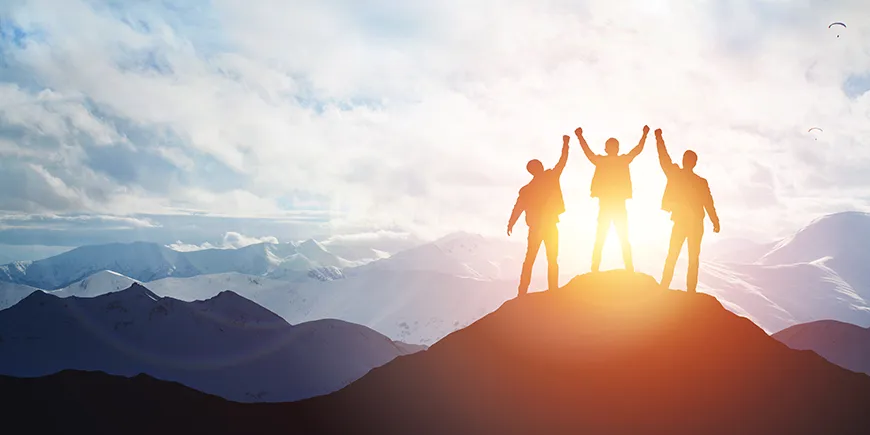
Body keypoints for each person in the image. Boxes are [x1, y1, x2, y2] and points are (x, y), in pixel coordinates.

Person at [574, 125, 649, 273]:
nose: (612, 148)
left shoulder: (609, 161)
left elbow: (637, 151)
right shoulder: (616, 160)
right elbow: (636, 151)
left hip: (613, 204)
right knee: (612, 237)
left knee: (610, 237)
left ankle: (614, 268)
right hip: (612, 204)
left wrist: (645, 135)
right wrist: (580, 137)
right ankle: (620, 268)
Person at [655, 128, 720, 293]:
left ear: (687, 161)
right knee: (690, 257)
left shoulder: (678, 175)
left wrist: (658, 138)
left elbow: (664, 158)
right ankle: (688, 290)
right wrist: (715, 221)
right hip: (693, 223)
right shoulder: (699, 181)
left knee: (676, 255)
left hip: (686, 222)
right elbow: (709, 203)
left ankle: (666, 286)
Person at [507, 135, 569, 297]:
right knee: (552, 259)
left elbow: (518, 208)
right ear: (538, 168)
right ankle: (553, 290)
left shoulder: (526, 189)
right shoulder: (550, 177)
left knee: (530, 260)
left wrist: (511, 223)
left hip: (536, 228)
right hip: (549, 226)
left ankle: (522, 292)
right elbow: (562, 162)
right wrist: (566, 144)